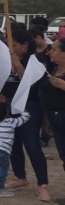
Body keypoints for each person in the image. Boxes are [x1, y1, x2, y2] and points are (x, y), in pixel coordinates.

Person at [0, 30, 51, 201]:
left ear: (25, 45)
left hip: (30, 106)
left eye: (13, 45)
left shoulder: (37, 60)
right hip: (11, 105)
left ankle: (43, 184)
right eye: (8, 45)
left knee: (32, 145)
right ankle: (20, 177)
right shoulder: (8, 58)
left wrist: (18, 64)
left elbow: (30, 83)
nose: (10, 48)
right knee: (13, 143)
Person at [40, 38, 65, 204]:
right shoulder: (54, 69)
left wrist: (63, 85)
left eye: (54, 49)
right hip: (54, 117)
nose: (49, 52)